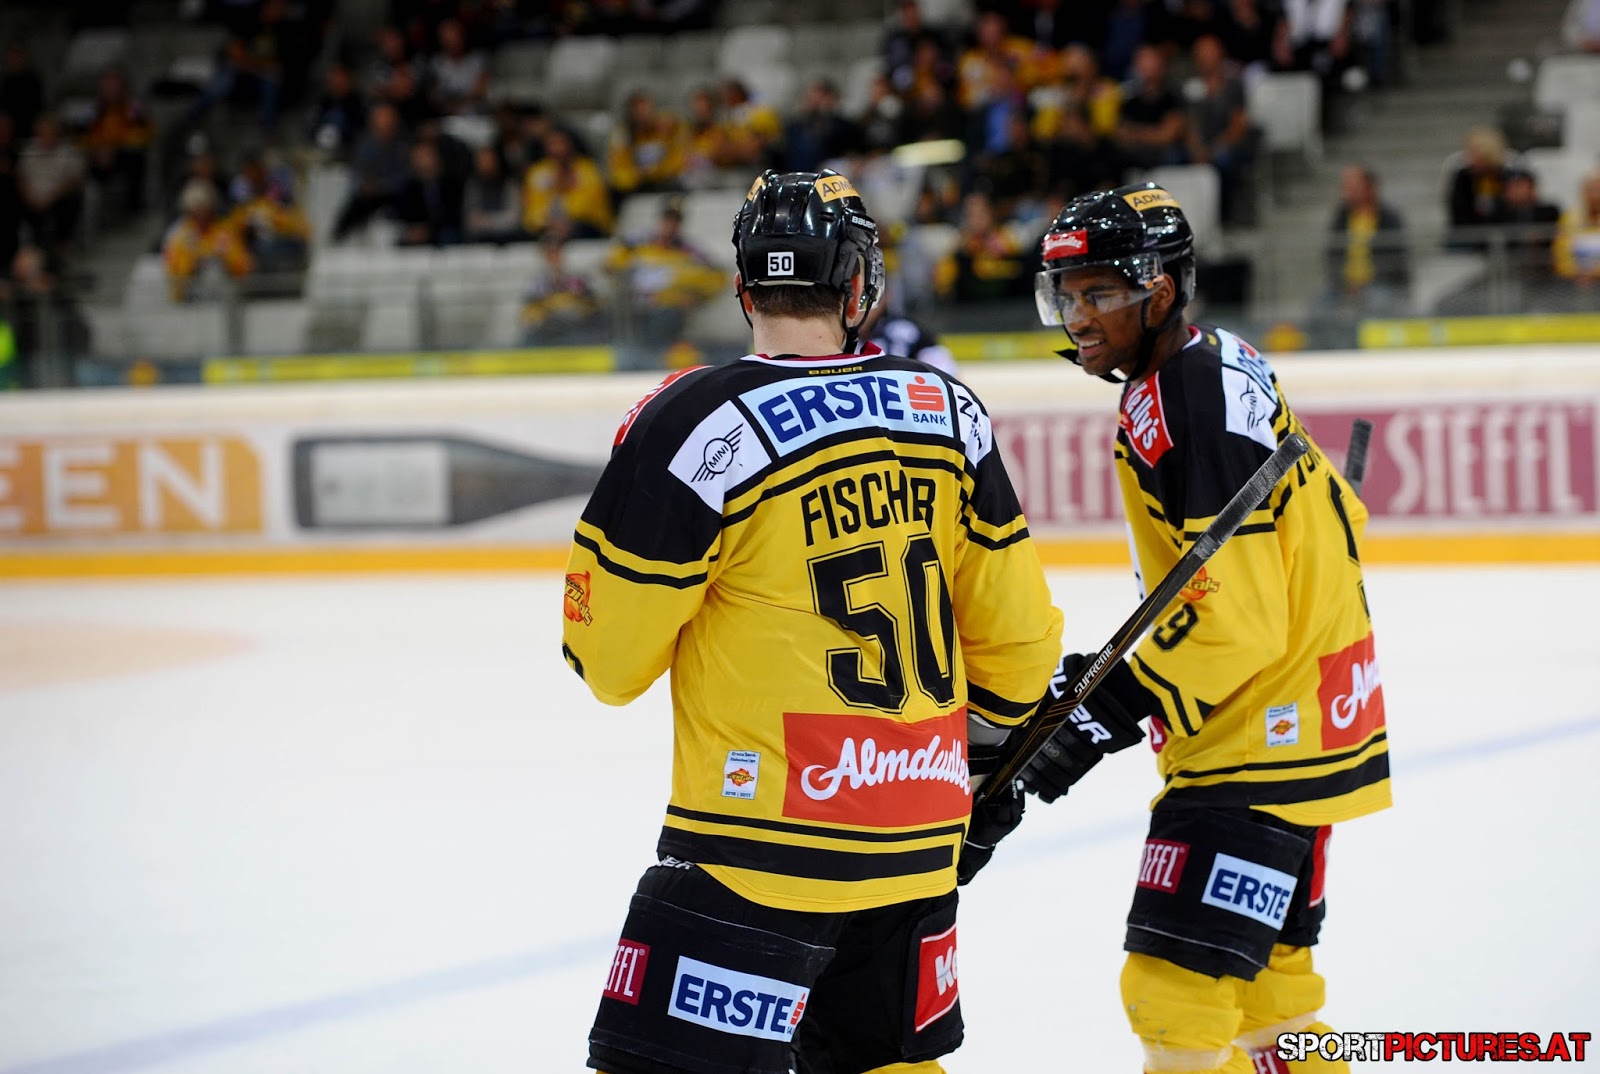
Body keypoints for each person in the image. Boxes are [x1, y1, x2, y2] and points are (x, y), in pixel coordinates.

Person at [565, 168, 1064, 1074]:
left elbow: (610, 663)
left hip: (756, 849)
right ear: (857, 282)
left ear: (744, 283)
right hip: (917, 836)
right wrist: (975, 765)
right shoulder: (947, 411)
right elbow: (1021, 643)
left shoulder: (693, 421)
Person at [1012, 182, 1393, 1074]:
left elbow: (1238, 622)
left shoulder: (1189, 399)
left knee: (1175, 998)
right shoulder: (1215, 364)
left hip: (1258, 739)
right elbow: (1325, 523)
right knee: (1272, 1004)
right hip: (1309, 722)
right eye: (1066, 294)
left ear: (1161, 290)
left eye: (1100, 292)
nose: (1078, 316)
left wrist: (1108, 707)